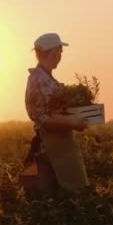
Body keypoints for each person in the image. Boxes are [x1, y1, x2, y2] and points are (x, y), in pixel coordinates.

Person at [23, 33, 89, 198]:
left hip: (57, 144)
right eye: (59, 52)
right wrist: (72, 121)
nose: (60, 57)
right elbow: (44, 119)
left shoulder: (45, 78)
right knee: (69, 194)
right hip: (51, 145)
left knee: (61, 194)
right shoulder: (40, 80)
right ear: (53, 52)